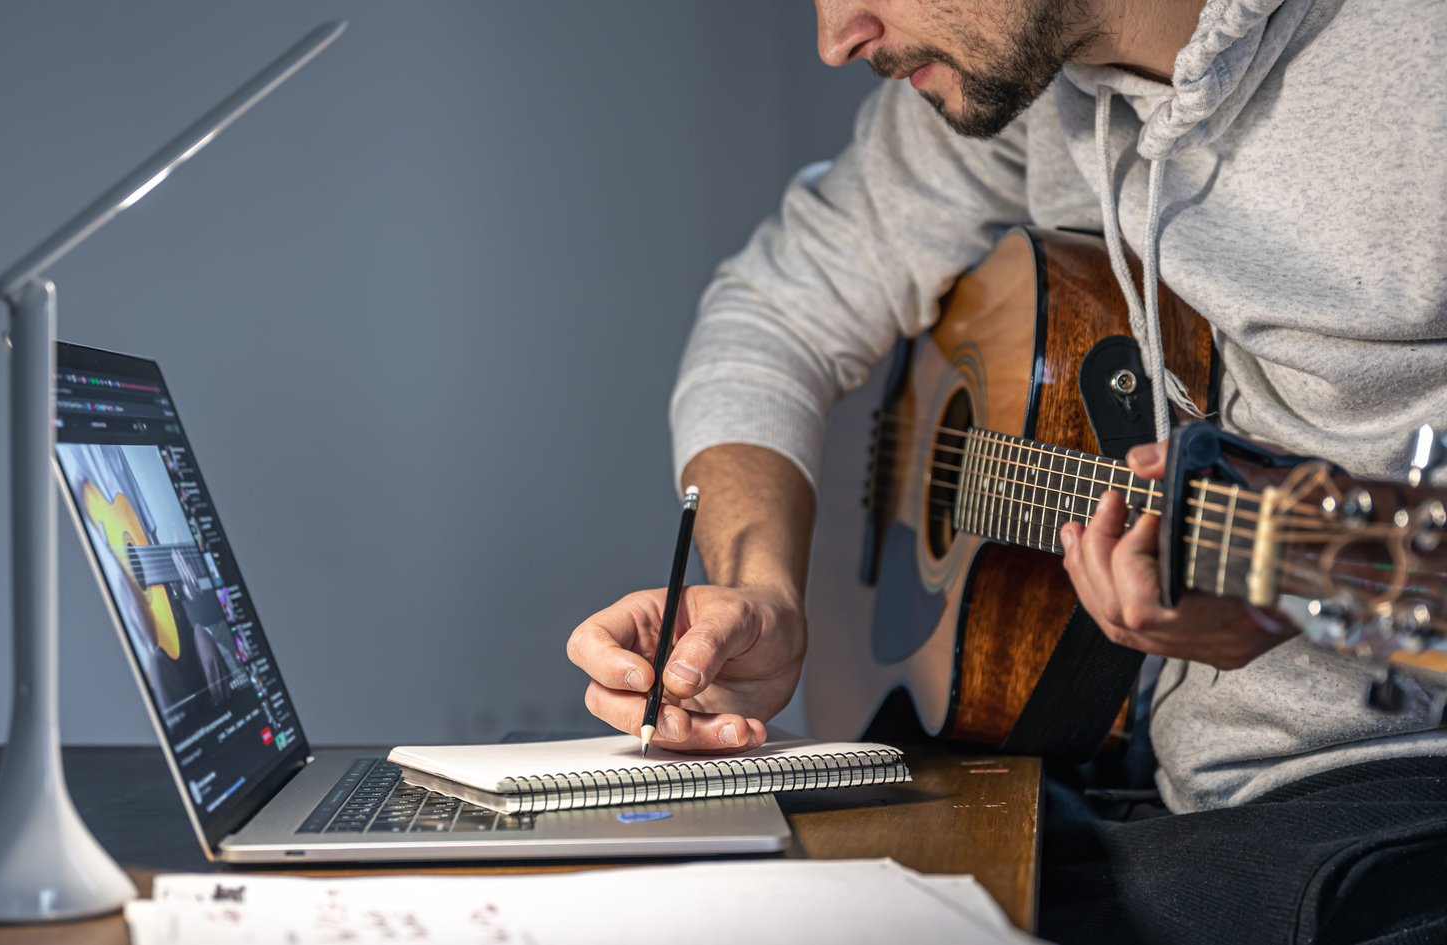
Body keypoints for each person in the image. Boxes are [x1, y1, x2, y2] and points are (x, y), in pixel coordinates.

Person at [565, 1, 1447, 941]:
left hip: (1382, 798)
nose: (836, 40)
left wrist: (1278, 610)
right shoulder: (1016, 76)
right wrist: (762, 591)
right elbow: (773, 314)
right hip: (1128, 780)